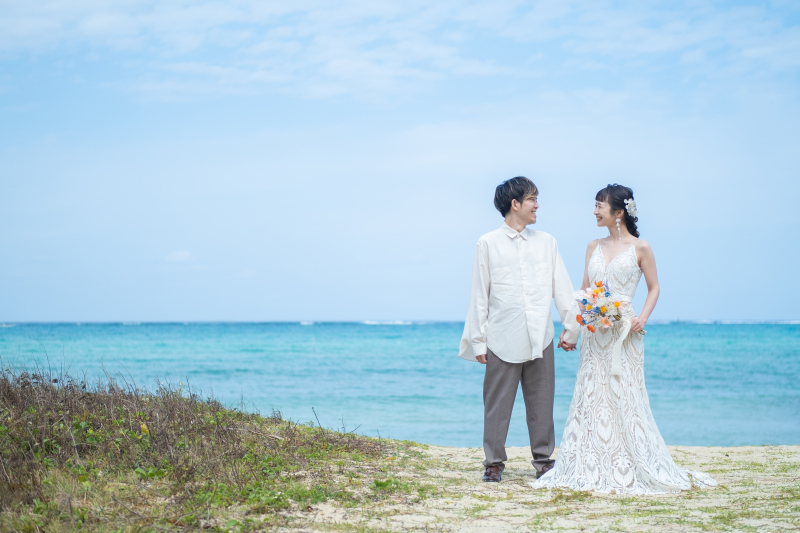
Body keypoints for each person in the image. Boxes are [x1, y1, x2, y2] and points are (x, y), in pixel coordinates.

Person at [531, 184, 716, 494]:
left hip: (625, 330)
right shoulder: (592, 246)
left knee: (624, 392)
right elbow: (585, 290)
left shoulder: (641, 248)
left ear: (619, 212)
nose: (594, 211)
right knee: (593, 391)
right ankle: (591, 461)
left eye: (599, 206)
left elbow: (655, 287)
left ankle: (630, 460)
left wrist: (641, 318)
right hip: (595, 330)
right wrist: (572, 329)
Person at [458, 176, 581, 482]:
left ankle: (543, 461)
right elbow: (479, 295)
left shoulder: (547, 242)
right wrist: (478, 342)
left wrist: (571, 327)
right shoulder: (487, 243)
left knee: (542, 402)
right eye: (532, 200)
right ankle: (494, 462)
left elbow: (562, 288)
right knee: (497, 405)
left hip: (541, 335)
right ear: (515, 204)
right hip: (502, 336)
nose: (537, 205)